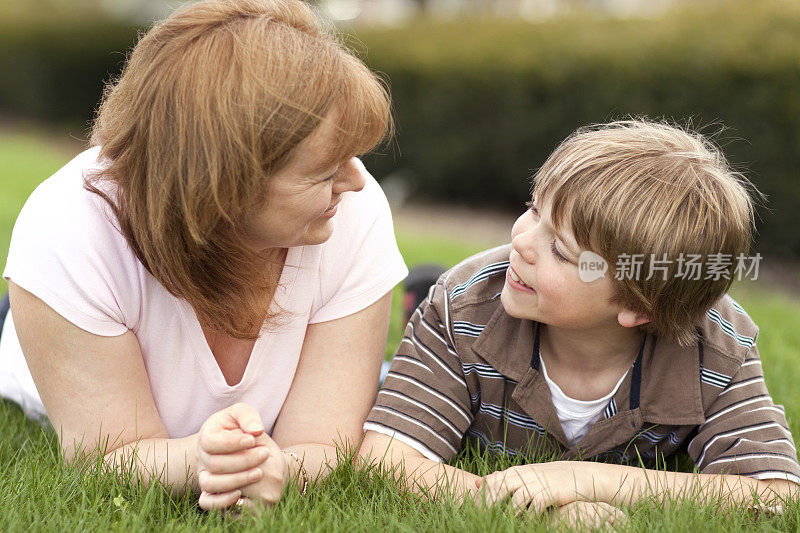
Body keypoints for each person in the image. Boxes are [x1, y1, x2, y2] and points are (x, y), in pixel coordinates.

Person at [0, 0, 407, 511]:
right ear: (225, 187)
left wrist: (277, 469)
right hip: (55, 337)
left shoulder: (351, 211)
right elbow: (106, 456)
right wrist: (199, 458)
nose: (355, 181)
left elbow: (324, 444)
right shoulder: (69, 232)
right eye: (324, 171)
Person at [359, 120, 799, 525]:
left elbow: (775, 495)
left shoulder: (718, 347)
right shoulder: (464, 307)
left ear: (640, 308)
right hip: (459, 325)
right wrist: (544, 510)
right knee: (377, 382)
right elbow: (386, 461)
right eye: (533, 210)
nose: (521, 242)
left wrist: (587, 478)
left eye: (561, 252)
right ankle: (420, 301)